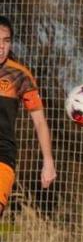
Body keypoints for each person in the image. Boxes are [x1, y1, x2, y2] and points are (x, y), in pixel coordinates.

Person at [0, 14, 56, 217]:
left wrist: (48, 161)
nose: (1, 47)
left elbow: (40, 121)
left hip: (2, 156)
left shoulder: (20, 76)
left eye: (6, 41)